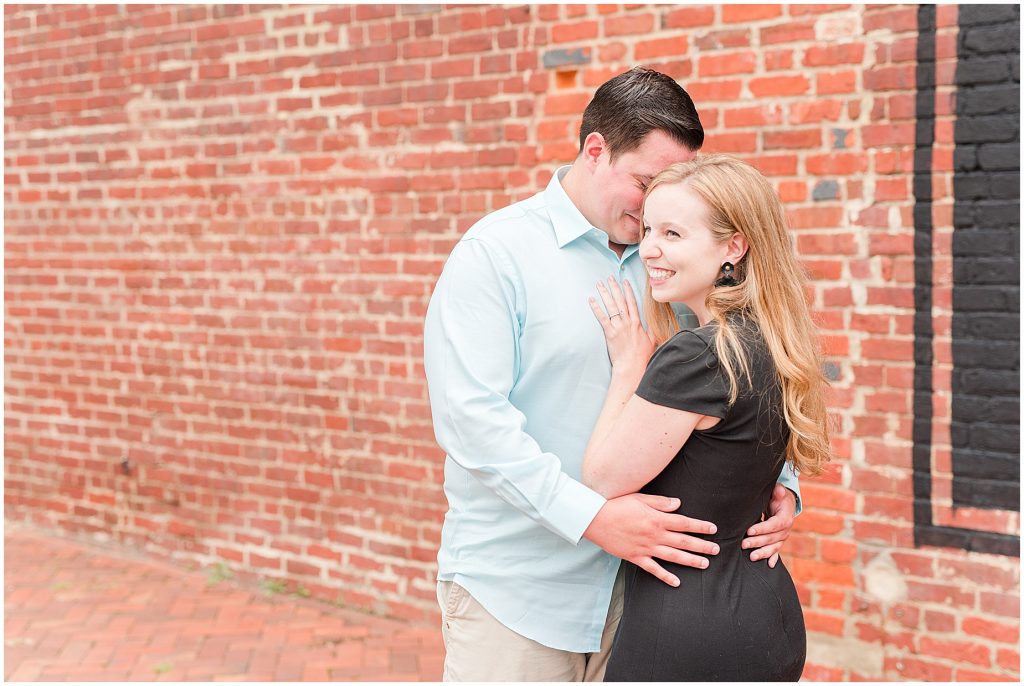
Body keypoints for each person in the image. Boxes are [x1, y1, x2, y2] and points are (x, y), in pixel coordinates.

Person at [423, 67, 802, 682]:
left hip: (647, 598)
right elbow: (473, 426)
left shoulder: (674, 262)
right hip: (522, 595)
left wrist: (774, 482)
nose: (654, 210)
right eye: (646, 183)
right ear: (596, 150)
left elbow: (731, 372)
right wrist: (594, 518)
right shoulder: (495, 256)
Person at [582, 154, 831, 681]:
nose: (649, 248)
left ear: (732, 247)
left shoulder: (696, 355)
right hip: (767, 611)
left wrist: (630, 365)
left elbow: (601, 478)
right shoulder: (771, 343)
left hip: (688, 630)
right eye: (648, 228)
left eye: (673, 233)